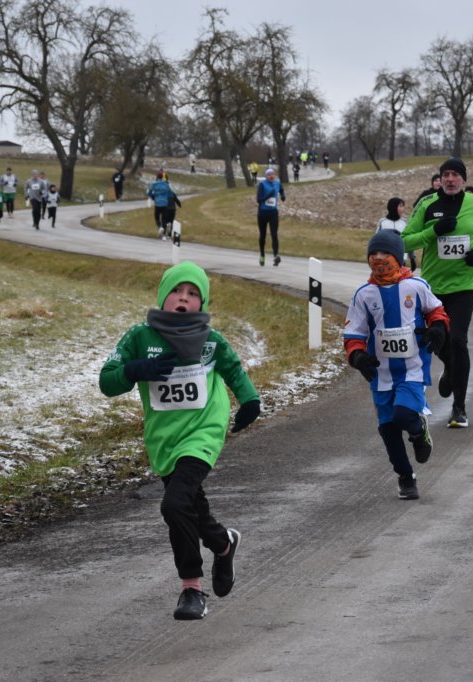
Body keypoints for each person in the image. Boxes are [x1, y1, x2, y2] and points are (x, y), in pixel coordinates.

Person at [99, 261, 260, 620]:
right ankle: (223, 544)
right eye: (176, 290)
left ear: (202, 303)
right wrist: (135, 370)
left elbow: (234, 370)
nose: (183, 298)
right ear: (162, 296)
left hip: (204, 430)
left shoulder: (211, 341)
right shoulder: (139, 337)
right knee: (189, 506)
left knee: (174, 505)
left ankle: (192, 589)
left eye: (192, 293)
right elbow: (106, 381)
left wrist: (250, 401)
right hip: (164, 437)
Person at [344, 231, 448, 499]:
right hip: (380, 373)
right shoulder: (364, 294)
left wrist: (438, 328)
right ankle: (405, 477)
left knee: (403, 415)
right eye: (374, 254)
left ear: (398, 257)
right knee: (388, 427)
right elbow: (354, 334)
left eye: (385, 254)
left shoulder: (415, 286)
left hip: (412, 368)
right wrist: (358, 357)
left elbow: (436, 311)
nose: (379, 259)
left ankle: (418, 431)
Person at [401, 158, 473, 429]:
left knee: (458, 340)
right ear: (440, 179)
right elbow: (404, 241)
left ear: (464, 179)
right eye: (446, 175)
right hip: (432, 287)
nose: (451, 179)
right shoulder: (427, 204)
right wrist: (433, 231)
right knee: (437, 340)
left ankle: (459, 408)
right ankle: (452, 370)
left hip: (464, 286)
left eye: (456, 174)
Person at [375, 197, 417, 271]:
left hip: (401, 258)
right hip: (385, 258)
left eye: (403, 206)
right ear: (393, 207)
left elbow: (408, 241)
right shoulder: (383, 222)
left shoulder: (405, 223)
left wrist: (412, 258)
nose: (403, 208)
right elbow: (376, 241)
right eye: (400, 206)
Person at [255, 167, 285, 267]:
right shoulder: (262, 184)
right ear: (266, 176)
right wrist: (268, 195)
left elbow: (281, 190)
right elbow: (258, 200)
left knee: (274, 234)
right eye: (269, 175)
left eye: (272, 174)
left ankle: (275, 256)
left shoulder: (277, 183)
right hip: (262, 213)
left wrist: (283, 195)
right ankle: (262, 255)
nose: (271, 176)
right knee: (263, 235)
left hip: (273, 213)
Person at [148, 172, 181, 240]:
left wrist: (153, 196)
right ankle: (164, 236)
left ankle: (160, 227)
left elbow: (149, 193)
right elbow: (171, 194)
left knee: (157, 218)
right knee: (164, 219)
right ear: (162, 177)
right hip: (165, 204)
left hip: (157, 204)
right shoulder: (166, 185)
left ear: (157, 177)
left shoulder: (154, 184)